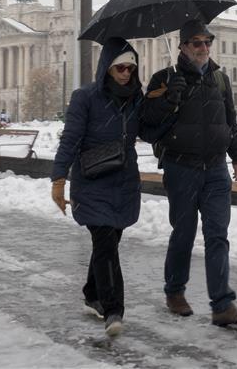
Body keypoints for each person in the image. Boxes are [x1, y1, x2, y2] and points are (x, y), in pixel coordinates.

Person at [141, 19, 237, 327]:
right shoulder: (163, 79)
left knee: (218, 235)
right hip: (181, 167)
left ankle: (222, 305)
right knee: (185, 233)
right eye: (197, 43)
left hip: (216, 168)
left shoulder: (219, 79)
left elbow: (230, 121)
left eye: (208, 42)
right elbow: (146, 125)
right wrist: (167, 99)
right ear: (183, 47)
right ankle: (175, 291)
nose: (204, 48)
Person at [51, 37, 145, 337]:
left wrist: (166, 100)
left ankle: (92, 293)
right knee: (105, 241)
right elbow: (71, 138)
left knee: (109, 242)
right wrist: (58, 178)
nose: (126, 73)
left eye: (131, 68)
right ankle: (113, 308)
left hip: (124, 180)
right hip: (91, 179)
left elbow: (155, 130)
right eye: (120, 67)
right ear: (107, 67)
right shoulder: (85, 97)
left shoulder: (137, 98)